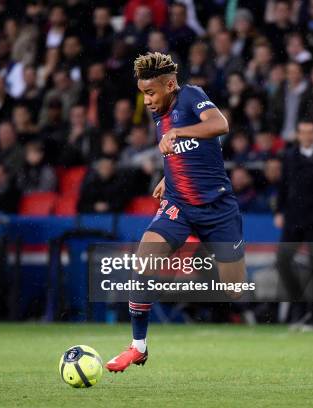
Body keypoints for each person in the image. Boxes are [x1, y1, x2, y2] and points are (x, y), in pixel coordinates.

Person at [106, 52, 245, 372]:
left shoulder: (191, 95)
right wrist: (167, 177)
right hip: (179, 205)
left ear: (170, 84)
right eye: (143, 94)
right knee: (144, 261)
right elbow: (188, 153)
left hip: (218, 208)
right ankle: (138, 346)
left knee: (234, 290)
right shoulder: (160, 111)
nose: (148, 100)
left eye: (151, 92)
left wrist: (178, 133)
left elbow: (219, 125)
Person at [275, 120, 313, 330]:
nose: (306, 136)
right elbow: (283, 184)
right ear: (298, 135)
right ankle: (298, 307)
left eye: (310, 132)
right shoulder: (290, 156)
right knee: (283, 261)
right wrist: (279, 210)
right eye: (303, 132)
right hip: (293, 217)